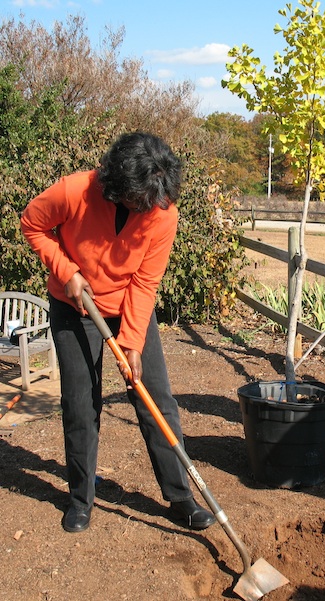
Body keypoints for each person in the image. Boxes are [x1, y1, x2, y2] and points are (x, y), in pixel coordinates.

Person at [21, 132, 216, 532]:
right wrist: (67, 272)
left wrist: (132, 345)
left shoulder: (163, 210)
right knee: (80, 402)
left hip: (128, 306)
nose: (148, 209)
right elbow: (33, 225)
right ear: (117, 185)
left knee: (155, 399)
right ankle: (80, 499)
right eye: (138, 201)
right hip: (75, 307)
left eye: (155, 202)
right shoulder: (74, 191)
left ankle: (181, 497)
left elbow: (146, 281)